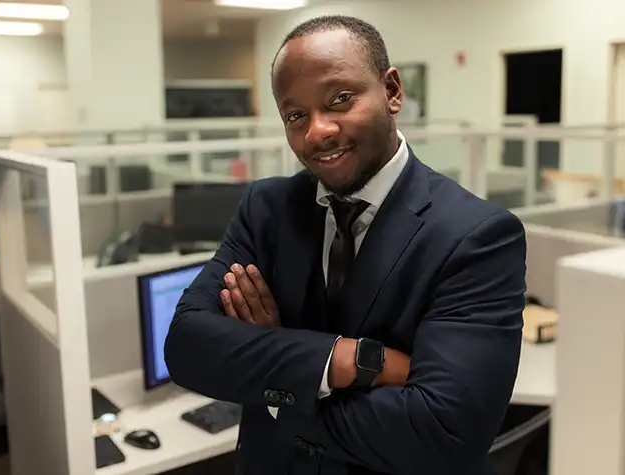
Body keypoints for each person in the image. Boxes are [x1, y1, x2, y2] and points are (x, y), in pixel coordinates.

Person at [165, 14, 526, 475]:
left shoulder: (476, 235)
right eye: (296, 115)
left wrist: (275, 388)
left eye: (340, 99)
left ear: (392, 91)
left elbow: (443, 433)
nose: (318, 130)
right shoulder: (267, 208)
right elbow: (187, 347)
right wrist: (350, 360)